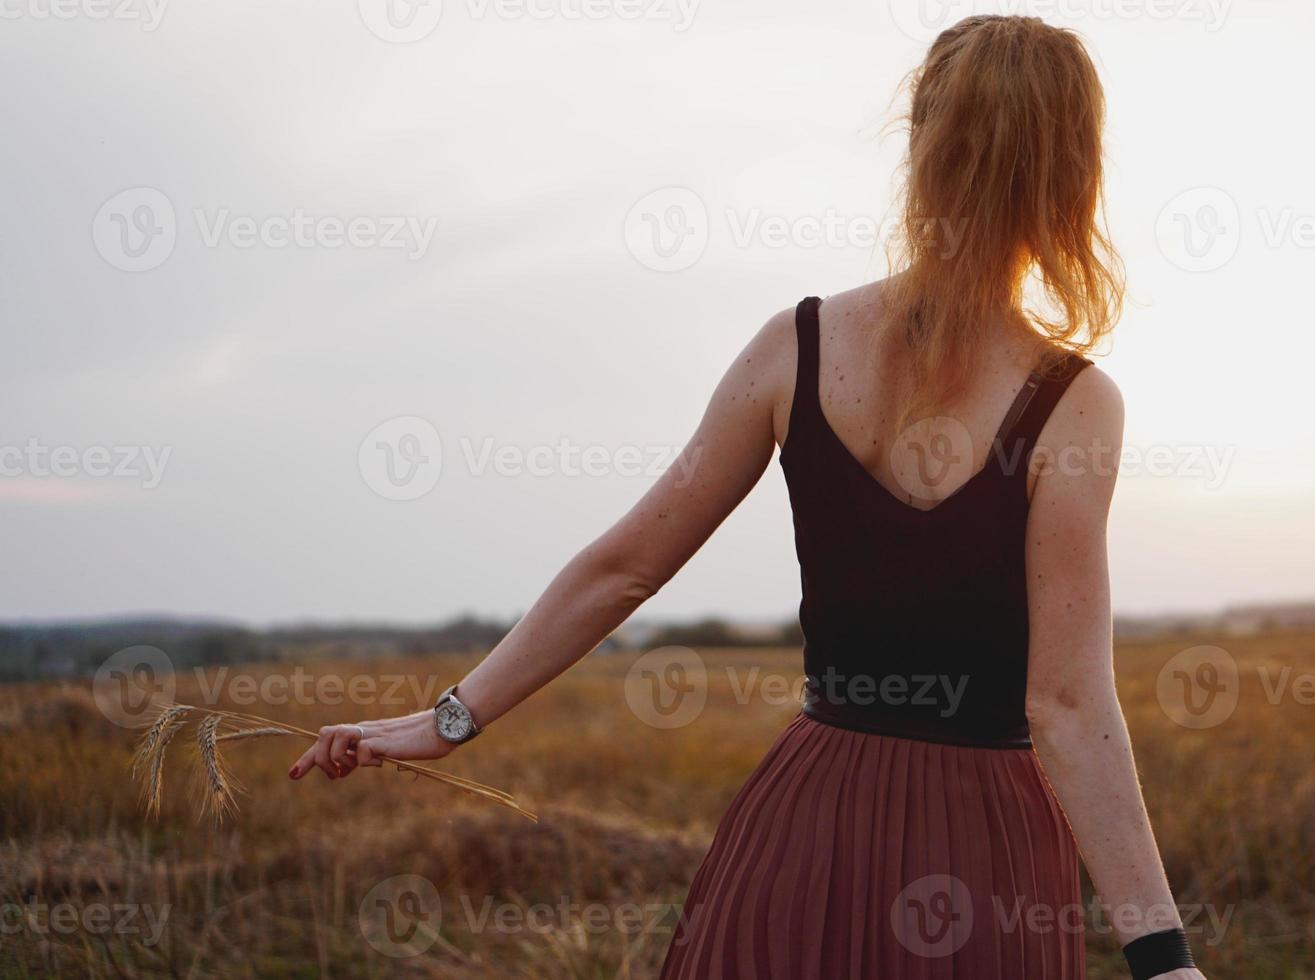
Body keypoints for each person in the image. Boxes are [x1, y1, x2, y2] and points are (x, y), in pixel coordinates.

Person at [291, 15, 1203, 979]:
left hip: (804, 832)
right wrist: (1163, 955)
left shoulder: (796, 348)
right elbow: (1063, 703)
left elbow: (623, 568)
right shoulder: (1075, 405)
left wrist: (449, 720)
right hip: (982, 860)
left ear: (922, 147)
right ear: (1072, 175)